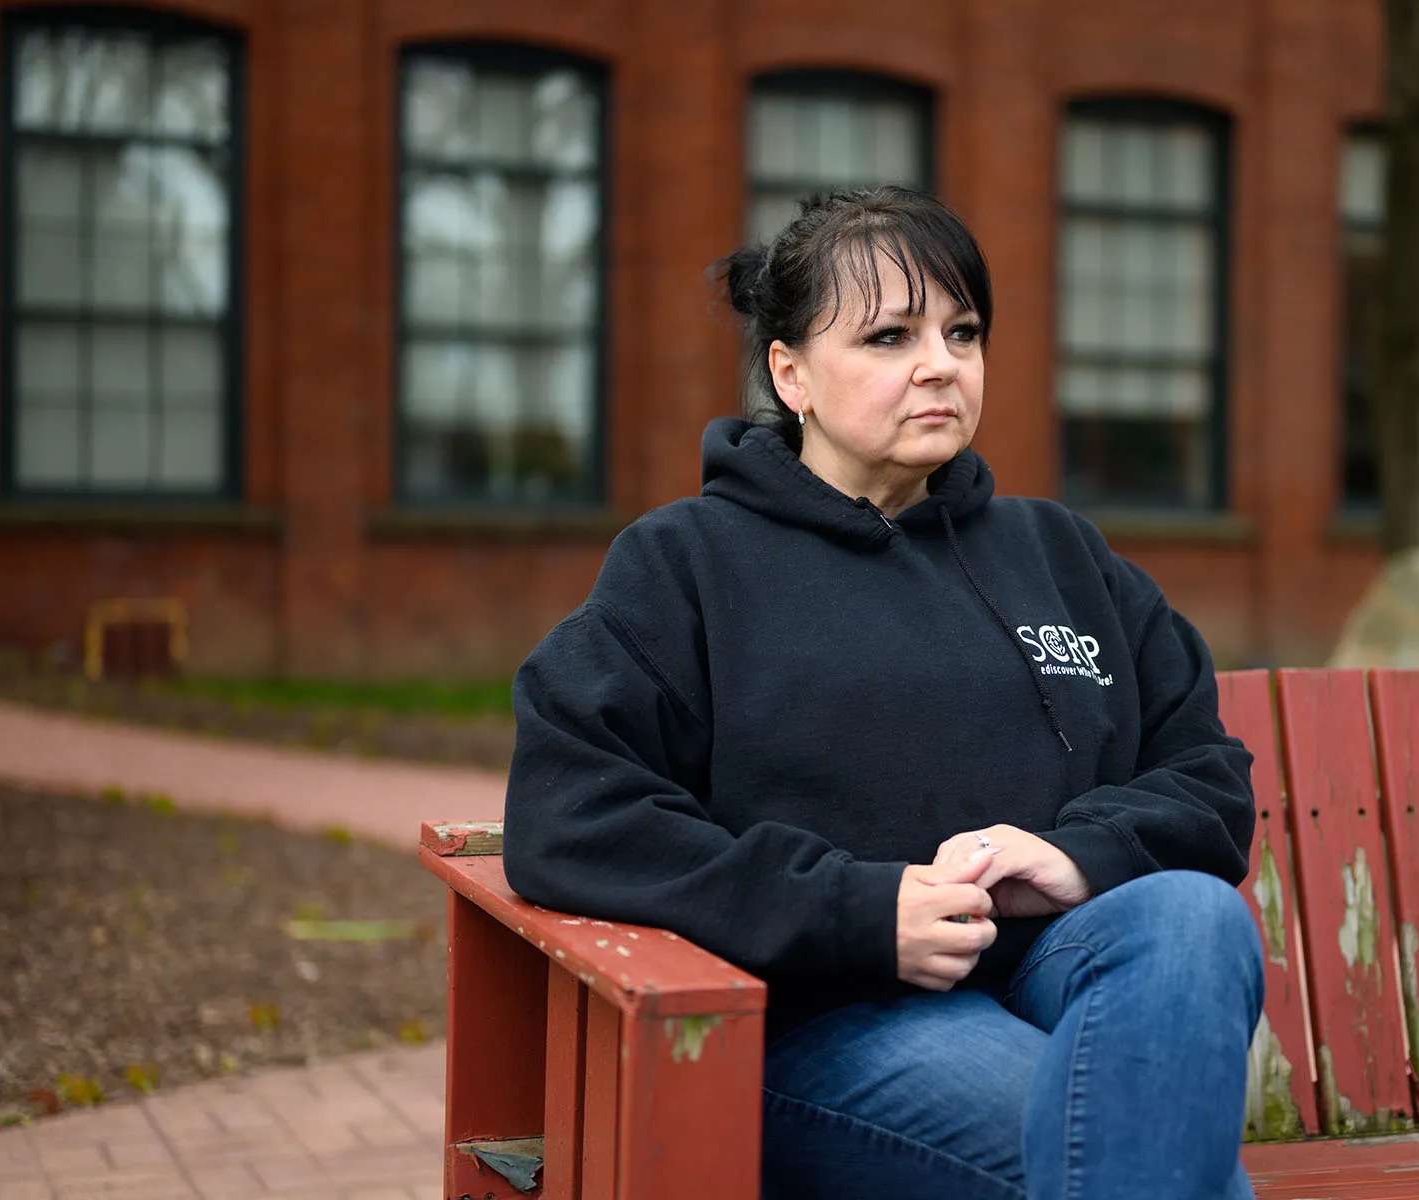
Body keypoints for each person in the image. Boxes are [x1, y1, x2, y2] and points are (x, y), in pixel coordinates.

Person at [502, 186, 1264, 1199]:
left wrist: (1080, 855)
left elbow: (1207, 774)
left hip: (1062, 973)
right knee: (1141, 1155)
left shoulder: (1061, 555)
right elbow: (572, 814)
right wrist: (858, 910)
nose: (940, 362)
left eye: (963, 331)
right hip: (839, 1018)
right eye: (889, 336)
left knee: (1193, 922)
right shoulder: (688, 566)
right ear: (791, 374)